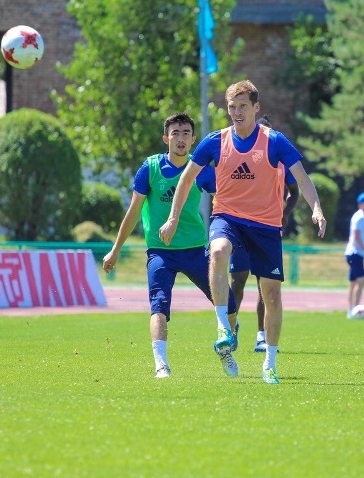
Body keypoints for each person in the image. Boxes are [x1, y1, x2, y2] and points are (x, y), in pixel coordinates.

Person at [159, 80, 326, 384]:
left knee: (271, 295)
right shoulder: (215, 141)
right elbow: (185, 180)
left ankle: (269, 364)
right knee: (218, 250)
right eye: (232, 107)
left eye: (243, 106)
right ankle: (224, 326)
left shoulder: (275, 141)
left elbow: (302, 179)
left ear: (256, 108)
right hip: (228, 217)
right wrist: (172, 218)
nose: (237, 112)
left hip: (266, 226)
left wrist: (316, 209)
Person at [102, 113, 238, 379]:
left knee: (230, 304)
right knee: (159, 306)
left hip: (196, 249)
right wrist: (115, 250)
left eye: (186, 133)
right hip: (160, 252)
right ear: (166, 138)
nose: (181, 138)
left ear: (193, 139)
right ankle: (161, 364)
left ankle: (226, 348)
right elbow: (133, 212)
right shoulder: (151, 168)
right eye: (175, 133)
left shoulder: (200, 169)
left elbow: (225, 201)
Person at [228, 116, 299, 353]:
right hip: (241, 228)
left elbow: (295, 191)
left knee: (265, 285)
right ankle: (231, 327)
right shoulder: (241, 156)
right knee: (237, 280)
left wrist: (285, 214)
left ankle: (262, 335)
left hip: (268, 228)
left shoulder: (280, 162)